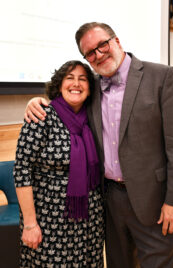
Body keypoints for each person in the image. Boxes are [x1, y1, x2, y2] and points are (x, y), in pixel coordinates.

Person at [24, 22, 173, 268]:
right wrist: (37, 101)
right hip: (111, 201)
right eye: (90, 53)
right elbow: (66, 102)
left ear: (116, 42)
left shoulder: (161, 76)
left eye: (102, 45)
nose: (98, 54)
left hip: (157, 201)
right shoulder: (92, 87)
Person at [14, 60, 105, 268]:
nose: (76, 84)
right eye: (70, 78)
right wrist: (29, 224)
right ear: (59, 84)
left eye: (83, 79)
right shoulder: (41, 115)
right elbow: (22, 170)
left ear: (90, 89)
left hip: (89, 223)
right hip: (49, 224)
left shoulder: (93, 118)